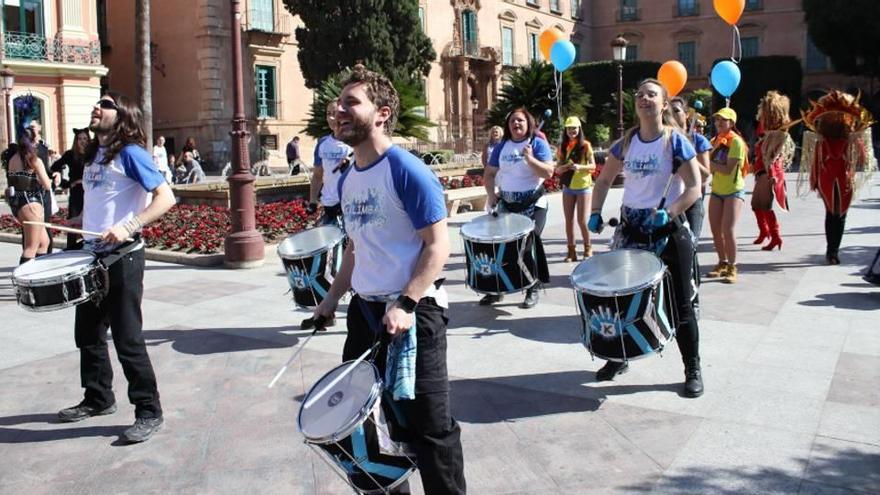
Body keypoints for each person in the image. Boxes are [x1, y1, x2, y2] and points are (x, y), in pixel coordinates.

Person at [312, 65, 466, 494]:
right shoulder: (346, 177)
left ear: (381, 113)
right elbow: (355, 249)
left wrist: (407, 302)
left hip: (416, 316)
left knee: (431, 432)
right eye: (338, 103)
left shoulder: (406, 170)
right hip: (365, 314)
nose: (338, 109)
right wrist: (329, 301)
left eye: (350, 103)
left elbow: (438, 247)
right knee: (366, 423)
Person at [57, 91, 175, 444]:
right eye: (97, 103)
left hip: (123, 256)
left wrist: (127, 226)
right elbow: (103, 203)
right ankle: (98, 398)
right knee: (89, 334)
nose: (96, 107)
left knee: (127, 337)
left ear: (122, 115)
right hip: (91, 254)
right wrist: (79, 219)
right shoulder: (94, 155)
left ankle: (149, 410)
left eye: (105, 104)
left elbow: (166, 197)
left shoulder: (132, 154)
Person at [588, 78, 704, 398]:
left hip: (667, 229)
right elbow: (603, 180)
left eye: (651, 94)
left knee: (682, 304)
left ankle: (692, 367)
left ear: (663, 104)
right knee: (620, 299)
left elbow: (695, 186)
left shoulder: (675, 140)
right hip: (632, 228)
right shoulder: (626, 142)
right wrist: (596, 211)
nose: (643, 98)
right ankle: (618, 356)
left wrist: (672, 210)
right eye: (639, 94)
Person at [482, 108, 554, 308]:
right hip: (508, 204)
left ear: (528, 123)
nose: (516, 124)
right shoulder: (502, 146)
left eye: (520, 120)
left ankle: (533, 286)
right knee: (499, 246)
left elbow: (548, 172)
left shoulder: (537, 143)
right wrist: (491, 195)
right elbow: (489, 173)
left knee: (529, 244)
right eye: (513, 120)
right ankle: (497, 289)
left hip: (533, 204)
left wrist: (530, 159)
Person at [800, 90, 876, 264]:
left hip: (838, 180)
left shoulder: (842, 141)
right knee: (837, 215)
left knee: (835, 214)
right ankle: (832, 251)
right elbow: (818, 163)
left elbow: (862, 159)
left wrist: (859, 139)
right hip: (837, 180)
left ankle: (832, 250)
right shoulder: (829, 142)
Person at [705, 107, 748, 284]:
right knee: (715, 230)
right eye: (717, 120)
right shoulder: (714, 140)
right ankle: (722, 262)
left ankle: (732, 266)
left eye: (723, 120)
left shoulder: (736, 142)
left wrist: (708, 163)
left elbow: (728, 169)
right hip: (717, 191)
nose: (719, 123)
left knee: (727, 230)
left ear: (732, 123)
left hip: (733, 191)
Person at [751, 91, 795, 252]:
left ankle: (776, 237)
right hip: (761, 171)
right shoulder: (768, 132)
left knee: (764, 205)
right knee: (756, 205)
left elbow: (775, 156)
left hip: (768, 173)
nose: (761, 114)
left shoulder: (779, 135)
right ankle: (765, 232)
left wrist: (772, 175)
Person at [6, 122, 52, 264]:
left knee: (44, 242)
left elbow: (13, 182)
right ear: (32, 142)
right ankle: (24, 283)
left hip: (18, 204)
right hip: (31, 203)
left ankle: (38, 277)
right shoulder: (34, 160)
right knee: (31, 247)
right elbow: (48, 185)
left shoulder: (12, 160)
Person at [555, 116, 596, 261]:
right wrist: (566, 166)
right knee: (569, 220)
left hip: (583, 186)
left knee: (582, 220)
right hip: (568, 187)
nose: (572, 130)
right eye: (569, 128)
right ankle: (571, 251)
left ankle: (588, 247)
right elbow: (557, 170)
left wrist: (580, 167)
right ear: (565, 130)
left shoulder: (585, 145)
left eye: (575, 128)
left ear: (579, 129)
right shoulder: (562, 147)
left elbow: (593, 166)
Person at [308, 99, 352, 225]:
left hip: (349, 206)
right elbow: (317, 176)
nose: (331, 118)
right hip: (328, 204)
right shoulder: (322, 143)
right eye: (328, 113)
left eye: (335, 113)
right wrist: (312, 201)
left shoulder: (355, 142)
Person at [50, 127, 91, 249]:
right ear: (76, 141)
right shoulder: (70, 154)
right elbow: (54, 168)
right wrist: (65, 183)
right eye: (80, 139)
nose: (83, 141)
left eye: (85, 138)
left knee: (89, 222)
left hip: (91, 192)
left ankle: (89, 249)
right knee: (73, 222)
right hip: (77, 192)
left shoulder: (93, 154)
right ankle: (71, 249)